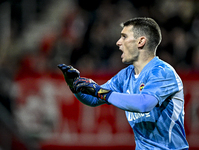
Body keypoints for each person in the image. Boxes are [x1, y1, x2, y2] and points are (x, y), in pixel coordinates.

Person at [58, 17, 189, 149]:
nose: (118, 42)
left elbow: (144, 104)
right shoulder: (125, 76)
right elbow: (93, 99)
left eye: (124, 37)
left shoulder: (163, 72)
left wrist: (101, 92)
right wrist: (74, 84)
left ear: (141, 41)